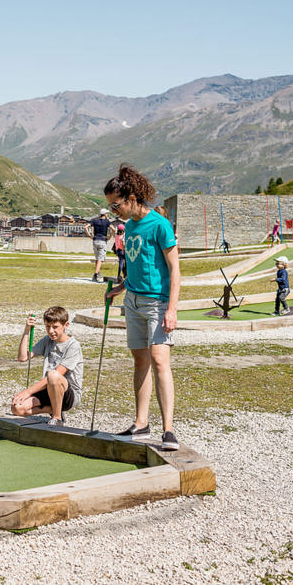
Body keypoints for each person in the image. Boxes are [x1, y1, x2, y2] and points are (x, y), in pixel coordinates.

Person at [103, 164, 180, 451]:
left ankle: (168, 430)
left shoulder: (159, 225)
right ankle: (141, 423)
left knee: (160, 360)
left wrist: (171, 309)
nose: (114, 212)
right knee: (140, 362)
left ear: (132, 197)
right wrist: (121, 287)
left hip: (157, 304)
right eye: (111, 207)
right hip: (132, 302)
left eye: (116, 205)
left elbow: (175, 270)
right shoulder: (130, 227)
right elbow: (136, 265)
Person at [11, 306, 83, 428]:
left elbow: (57, 374)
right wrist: (26, 331)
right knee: (17, 409)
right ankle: (53, 409)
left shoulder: (73, 346)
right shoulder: (47, 340)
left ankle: (57, 418)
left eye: (55, 327)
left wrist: (28, 392)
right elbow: (22, 357)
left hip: (68, 395)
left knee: (53, 375)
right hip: (49, 389)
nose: (50, 331)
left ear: (66, 325)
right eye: (47, 326)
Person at [85, 208, 115, 283]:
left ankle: (97, 272)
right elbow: (113, 229)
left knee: (97, 258)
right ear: (105, 214)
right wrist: (110, 236)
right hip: (103, 240)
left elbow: (85, 227)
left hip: (95, 240)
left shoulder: (94, 221)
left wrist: (89, 235)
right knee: (100, 259)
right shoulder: (107, 222)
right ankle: (95, 274)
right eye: (107, 213)